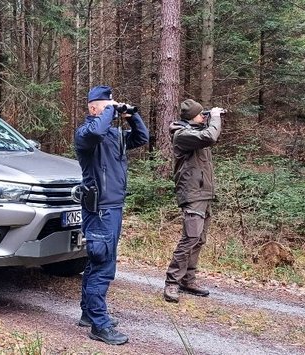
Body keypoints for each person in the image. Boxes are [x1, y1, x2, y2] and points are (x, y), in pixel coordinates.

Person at [74, 85, 149, 345]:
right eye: (105, 106)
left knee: (99, 262)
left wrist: (131, 115)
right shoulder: (85, 134)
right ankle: (99, 325)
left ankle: (88, 313)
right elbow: (95, 131)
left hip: (114, 207)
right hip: (100, 210)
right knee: (102, 266)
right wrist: (108, 112)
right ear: (93, 108)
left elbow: (142, 138)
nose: (111, 110)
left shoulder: (114, 135)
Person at [163, 99, 224, 303]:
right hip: (192, 194)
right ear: (191, 117)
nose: (203, 117)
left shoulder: (194, 132)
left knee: (199, 239)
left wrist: (208, 119)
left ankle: (188, 279)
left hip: (203, 193)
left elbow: (207, 135)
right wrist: (214, 117)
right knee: (190, 237)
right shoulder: (183, 135)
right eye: (200, 114)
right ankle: (172, 282)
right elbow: (210, 136)